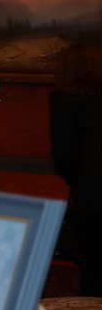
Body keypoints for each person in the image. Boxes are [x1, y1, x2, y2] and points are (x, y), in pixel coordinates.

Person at [50, 42, 102, 296]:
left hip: (92, 194)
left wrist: (79, 182)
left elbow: (64, 153)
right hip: (90, 189)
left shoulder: (64, 99)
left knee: (93, 273)